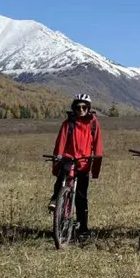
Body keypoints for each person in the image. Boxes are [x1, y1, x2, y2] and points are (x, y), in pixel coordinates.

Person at [50, 93, 104, 238]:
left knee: (81, 197)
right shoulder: (68, 124)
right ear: (74, 108)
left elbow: (98, 146)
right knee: (63, 175)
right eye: (78, 107)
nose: (81, 110)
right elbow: (60, 143)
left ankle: (83, 228)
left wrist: (96, 168)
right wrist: (57, 161)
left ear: (88, 108)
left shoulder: (94, 124)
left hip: (84, 163)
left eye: (84, 107)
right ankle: (56, 199)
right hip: (69, 159)